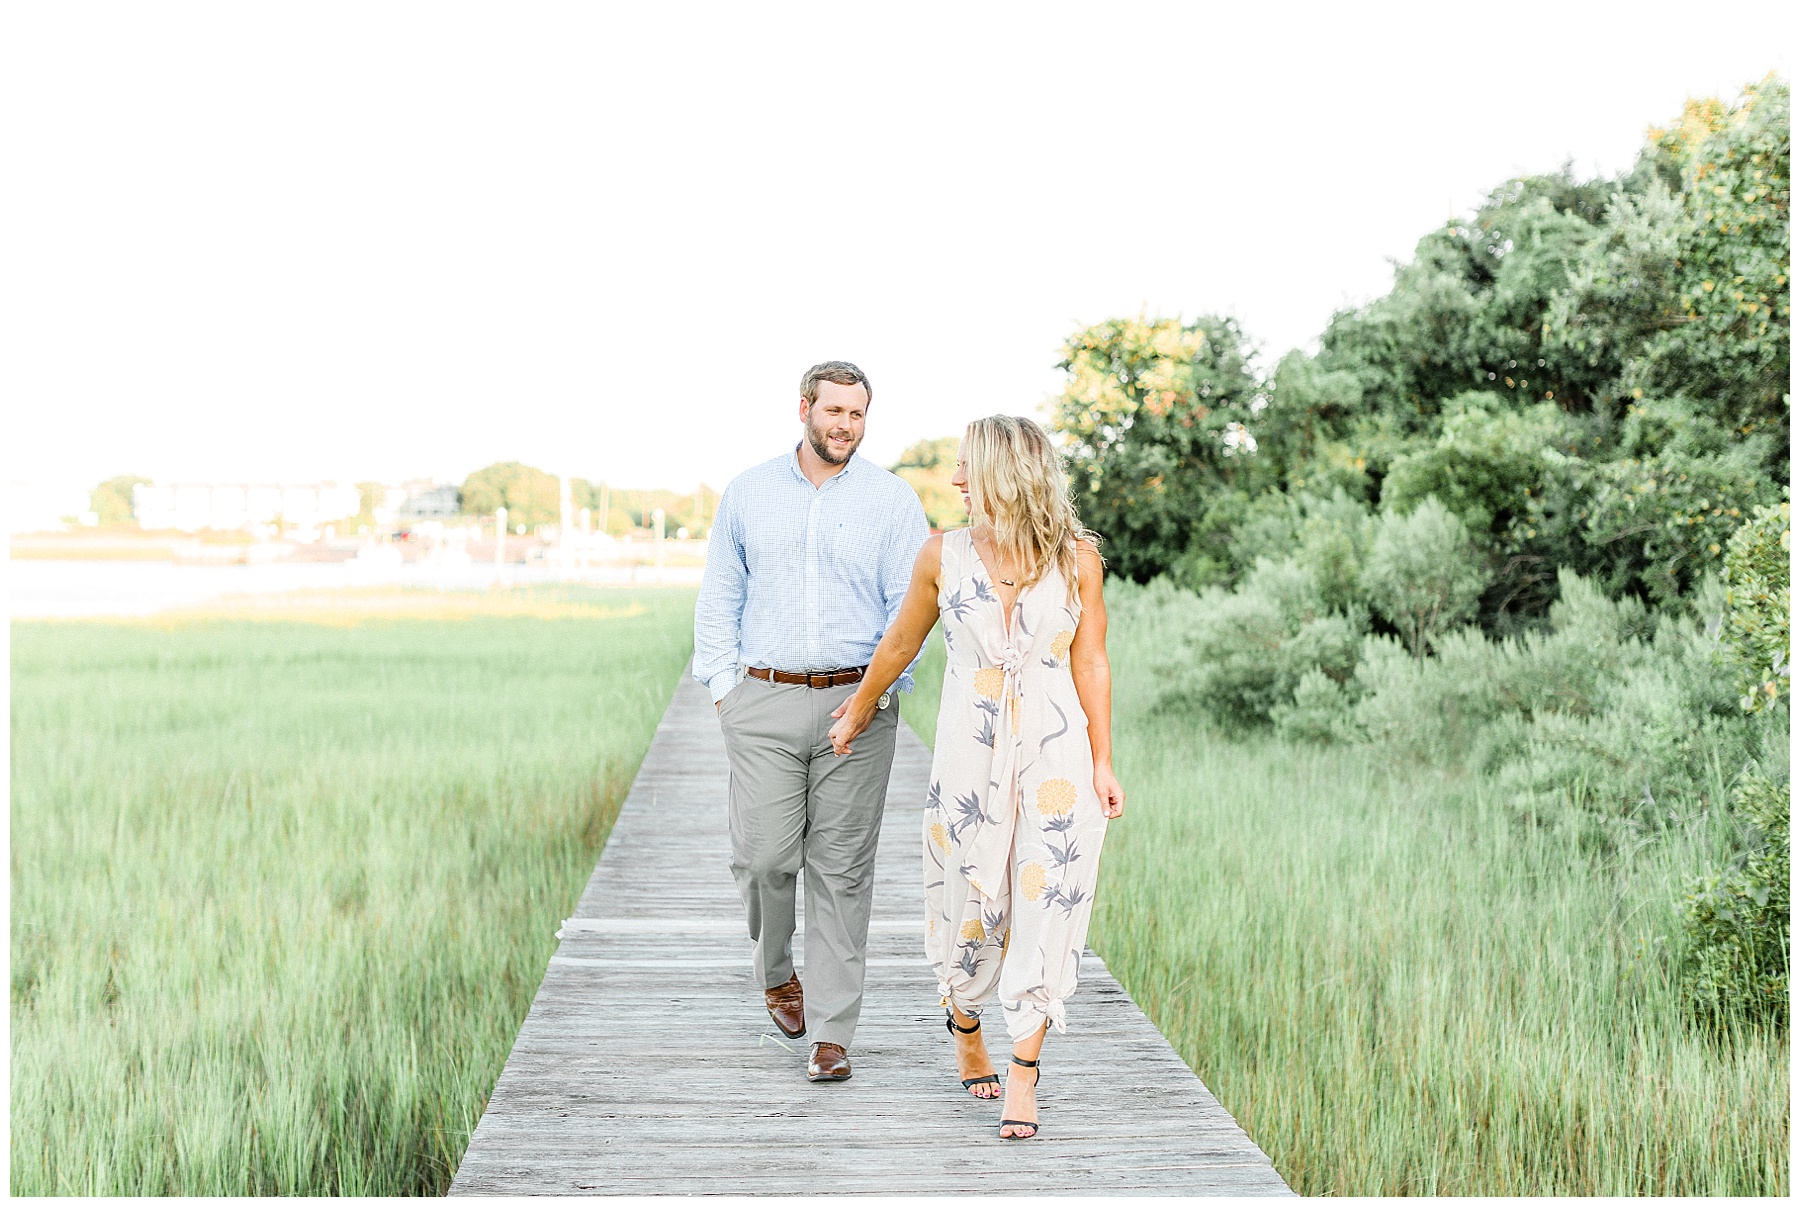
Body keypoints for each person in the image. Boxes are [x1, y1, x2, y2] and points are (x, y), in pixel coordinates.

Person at [828, 414, 1124, 1139]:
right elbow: (903, 637)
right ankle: (964, 1016)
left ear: (1001, 473)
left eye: (966, 466)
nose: (956, 478)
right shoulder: (943, 554)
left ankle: (1025, 1072)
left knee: (1049, 899)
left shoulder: (1077, 558)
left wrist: (1103, 759)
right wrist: (860, 706)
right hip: (970, 755)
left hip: (1056, 757)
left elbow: (1090, 660)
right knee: (972, 903)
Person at [694, 360, 931, 1083]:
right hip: (762, 700)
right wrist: (724, 690)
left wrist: (883, 696)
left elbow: (910, 611)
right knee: (764, 857)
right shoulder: (748, 493)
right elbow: (719, 596)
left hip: (858, 704)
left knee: (842, 871)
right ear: (804, 408)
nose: (845, 427)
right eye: (834, 412)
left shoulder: (893, 502)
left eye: (857, 415)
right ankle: (776, 974)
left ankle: (832, 1031)